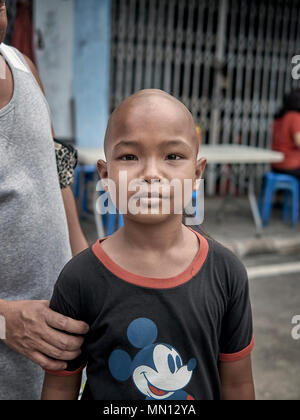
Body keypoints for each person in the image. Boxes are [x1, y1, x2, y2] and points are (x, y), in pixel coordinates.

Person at [41, 89, 255, 401]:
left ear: (197, 174)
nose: (151, 174)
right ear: (105, 174)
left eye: (173, 156)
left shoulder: (226, 273)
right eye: (129, 156)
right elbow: (60, 388)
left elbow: (237, 385)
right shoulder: (79, 278)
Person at [0, 0, 89, 400]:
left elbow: (55, 168)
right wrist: (5, 321)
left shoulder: (20, 64)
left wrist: (86, 261)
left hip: (55, 360)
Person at [271, 89, 300, 179]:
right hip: (290, 165)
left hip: (275, 165)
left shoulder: (279, 117)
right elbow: (298, 142)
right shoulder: (294, 117)